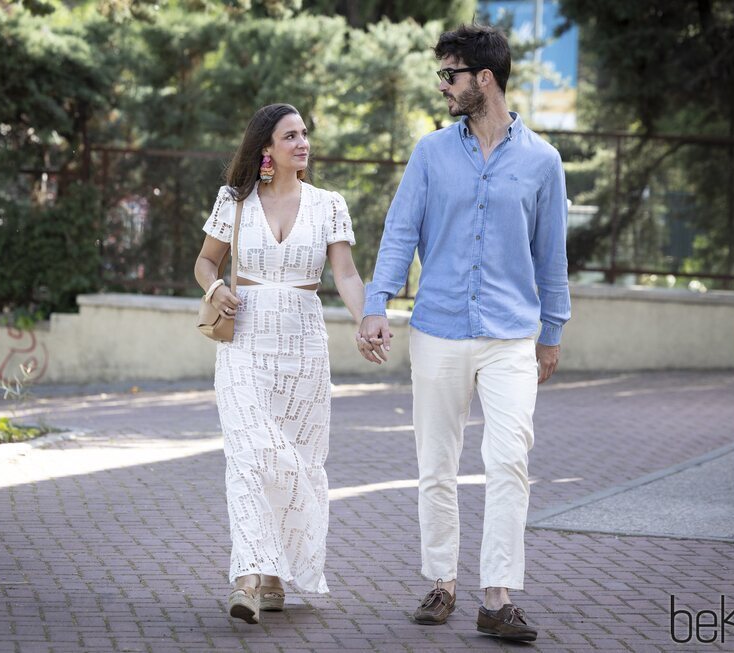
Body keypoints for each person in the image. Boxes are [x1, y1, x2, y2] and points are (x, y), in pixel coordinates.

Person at [356, 24, 571, 643]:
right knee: (437, 464)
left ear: (484, 79)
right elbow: (400, 234)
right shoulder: (430, 154)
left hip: (511, 337)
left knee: (509, 461)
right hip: (439, 329)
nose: (442, 87)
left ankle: (497, 597)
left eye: (449, 75)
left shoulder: (542, 161)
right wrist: (377, 305)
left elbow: (550, 256)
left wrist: (551, 333)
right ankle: (442, 583)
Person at [194, 103, 371, 624]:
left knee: (294, 461)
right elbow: (206, 261)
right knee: (249, 455)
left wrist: (366, 320)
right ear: (265, 148)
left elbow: (346, 275)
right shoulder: (235, 201)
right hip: (244, 342)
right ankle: (248, 577)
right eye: (290, 135)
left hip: (304, 346)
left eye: (304, 134)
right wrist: (217, 284)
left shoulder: (329, 204)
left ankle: (274, 576)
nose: (302, 142)